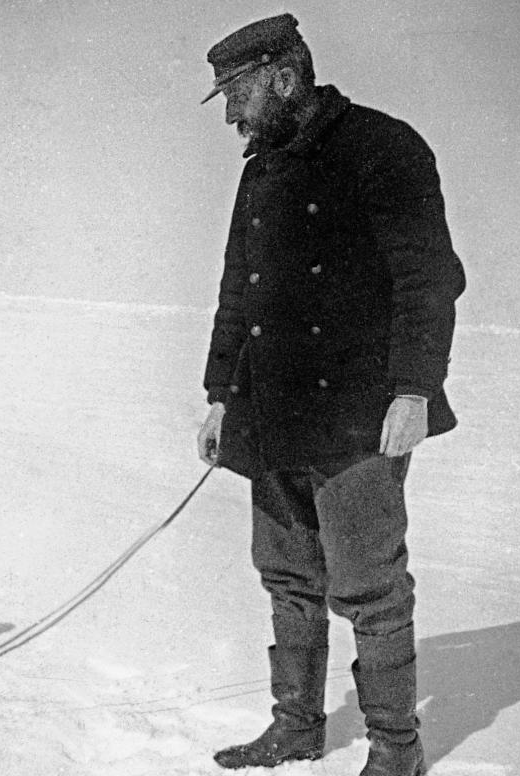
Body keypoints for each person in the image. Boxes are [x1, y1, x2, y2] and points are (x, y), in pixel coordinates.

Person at [195, 13, 466, 776]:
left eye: (237, 94)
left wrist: (415, 390)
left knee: (370, 587)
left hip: (358, 415)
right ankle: (296, 727)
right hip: (270, 409)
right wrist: (221, 393)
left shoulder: (385, 148)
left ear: (282, 79)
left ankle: (396, 752)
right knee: (286, 576)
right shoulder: (262, 170)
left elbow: (429, 281)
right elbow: (236, 293)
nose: (230, 115)